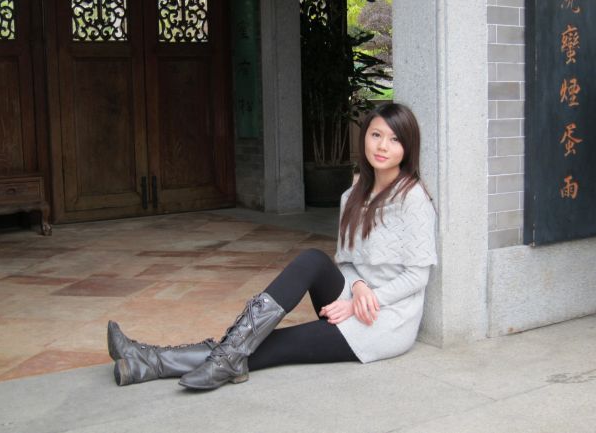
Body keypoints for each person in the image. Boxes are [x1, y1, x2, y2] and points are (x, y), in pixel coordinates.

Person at [107, 102, 437, 390]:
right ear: (364, 137)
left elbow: (417, 277)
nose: (382, 146)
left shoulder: (413, 198)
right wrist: (359, 287)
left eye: (395, 139)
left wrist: (363, 302)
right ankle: (168, 360)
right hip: (354, 296)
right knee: (312, 259)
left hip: (384, 320)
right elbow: (347, 262)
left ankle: (149, 361)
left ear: (407, 147)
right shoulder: (350, 197)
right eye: (376, 135)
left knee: (271, 344)